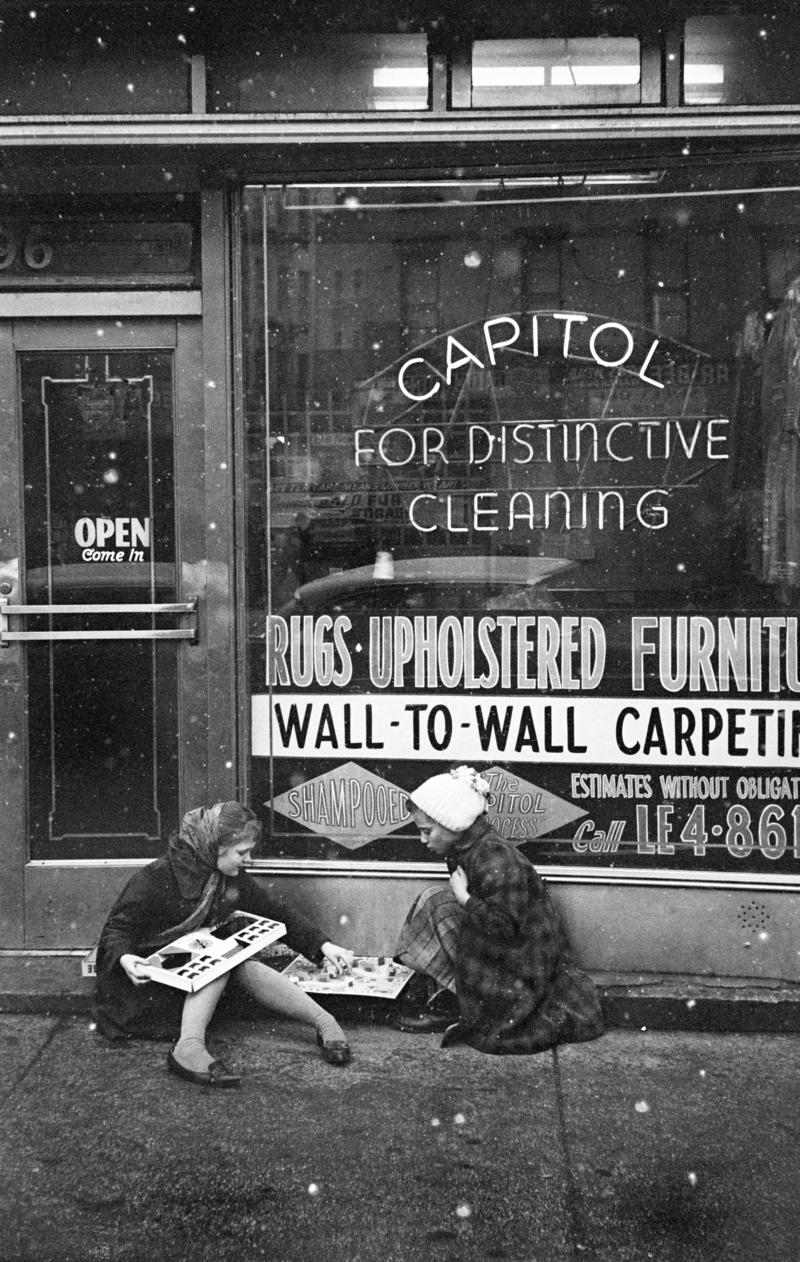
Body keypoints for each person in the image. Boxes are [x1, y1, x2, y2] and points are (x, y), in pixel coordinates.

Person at [93, 801, 355, 1087]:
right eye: (242, 852)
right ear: (214, 846)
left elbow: (273, 911)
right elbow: (117, 930)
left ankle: (322, 1020)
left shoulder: (223, 876)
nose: (248, 859)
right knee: (221, 960)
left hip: (192, 982)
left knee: (233, 959)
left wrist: (323, 945)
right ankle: (188, 1047)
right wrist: (126, 959)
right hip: (146, 988)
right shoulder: (157, 877)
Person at [393, 766, 604, 1055]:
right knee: (435, 901)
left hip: (520, 968)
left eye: (427, 831)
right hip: (502, 952)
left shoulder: (495, 856)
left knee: (443, 901)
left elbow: (505, 927)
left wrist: (465, 899)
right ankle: (452, 996)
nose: (423, 840)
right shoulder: (468, 848)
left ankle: (465, 1006)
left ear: (452, 823)